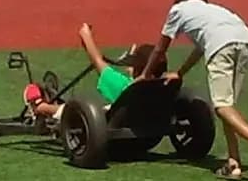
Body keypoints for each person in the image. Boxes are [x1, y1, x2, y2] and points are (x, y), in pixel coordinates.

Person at [142, 0, 248, 181]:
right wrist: (180, 73)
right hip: (245, 42)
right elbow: (200, 49)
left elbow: (160, 49)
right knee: (228, 106)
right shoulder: (214, 11)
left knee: (222, 106)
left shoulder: (178, 10)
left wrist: (145, 75)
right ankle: (233, 163)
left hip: (221, 45)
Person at [28, 24, 165, 124]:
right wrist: (133, 71)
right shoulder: (162, 88)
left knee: (80, 109)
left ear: (138, 70)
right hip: (144, 133)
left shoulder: (125, 87)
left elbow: (98, 61)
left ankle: (42, 108)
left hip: (115, 132)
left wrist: (86, 36)